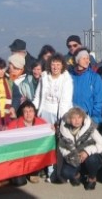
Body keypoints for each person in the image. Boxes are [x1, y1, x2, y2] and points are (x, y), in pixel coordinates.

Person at [33, 53, 73, 181]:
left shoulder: (67, 79)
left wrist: (62, 119)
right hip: (45, 112)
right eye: (53, 64)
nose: (55, 67)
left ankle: (60, 172)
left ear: (62, 66)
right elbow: (38, 96)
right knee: (48, 144)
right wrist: (33, 110)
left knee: (60, 143)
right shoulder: (44, 77)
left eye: (58, 64)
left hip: (60, 114)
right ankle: (50, 171)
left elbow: (66, 101)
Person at [57, 107, 102, 190]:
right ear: (69, 119)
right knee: (65, 173)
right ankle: (77, 175)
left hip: (91, 155)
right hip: (74, 156)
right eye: (74, 118)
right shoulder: (64, 130)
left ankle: (92, 178)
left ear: (83, 118)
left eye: (79, 117)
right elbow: (61, 146)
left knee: (92, 160)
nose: (77, 120)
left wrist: (87, 151)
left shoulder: (90, 129)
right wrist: (71, 155)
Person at [7, 101, 49, 185]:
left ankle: (34, 172)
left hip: (34, 156)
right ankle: (13, 175)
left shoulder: (42, 123)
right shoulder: (13, 125)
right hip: (18, 158)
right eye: (25, 111)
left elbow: (49, 138)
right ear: (22, 113)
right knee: (20, 182)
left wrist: (52, 128)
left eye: (31, 111)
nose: (28, 114)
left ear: (34, 112)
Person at [70, 47, 102, 126]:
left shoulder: (95, 77)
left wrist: (94, 118)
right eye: (84, 58)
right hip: (73, 118)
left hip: (90, 119)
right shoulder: (69, 77)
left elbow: (99, 100)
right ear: (77, 60)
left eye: (88, 58)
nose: (87, 61)